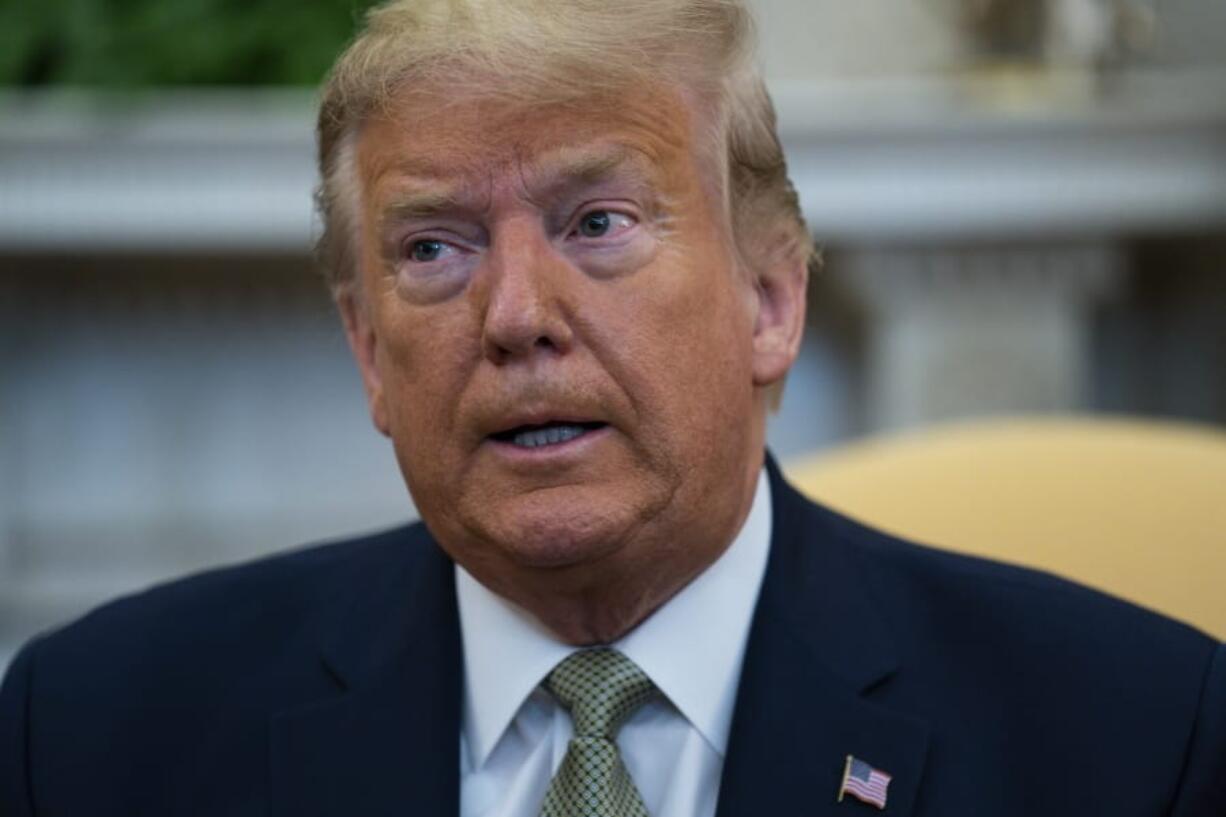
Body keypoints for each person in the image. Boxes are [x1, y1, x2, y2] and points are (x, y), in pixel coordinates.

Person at [2, 0, 1223, 814]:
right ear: (369, 350)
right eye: (433, 247)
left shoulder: (1135, 741)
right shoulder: (96, 738)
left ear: (769, 299)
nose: (515, 313)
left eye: (599, 224)